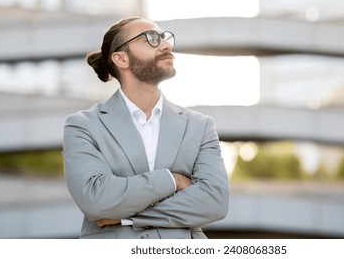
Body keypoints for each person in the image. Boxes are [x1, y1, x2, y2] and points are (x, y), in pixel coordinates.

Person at [62, 16, 229, 239]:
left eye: (164, 37)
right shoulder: (83, 126)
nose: (166, 45)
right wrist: (173, 180)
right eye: (150, 38)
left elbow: (215, 202)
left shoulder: (200, 125)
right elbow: (96, 200)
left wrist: (127, 217)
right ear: (121, 59)